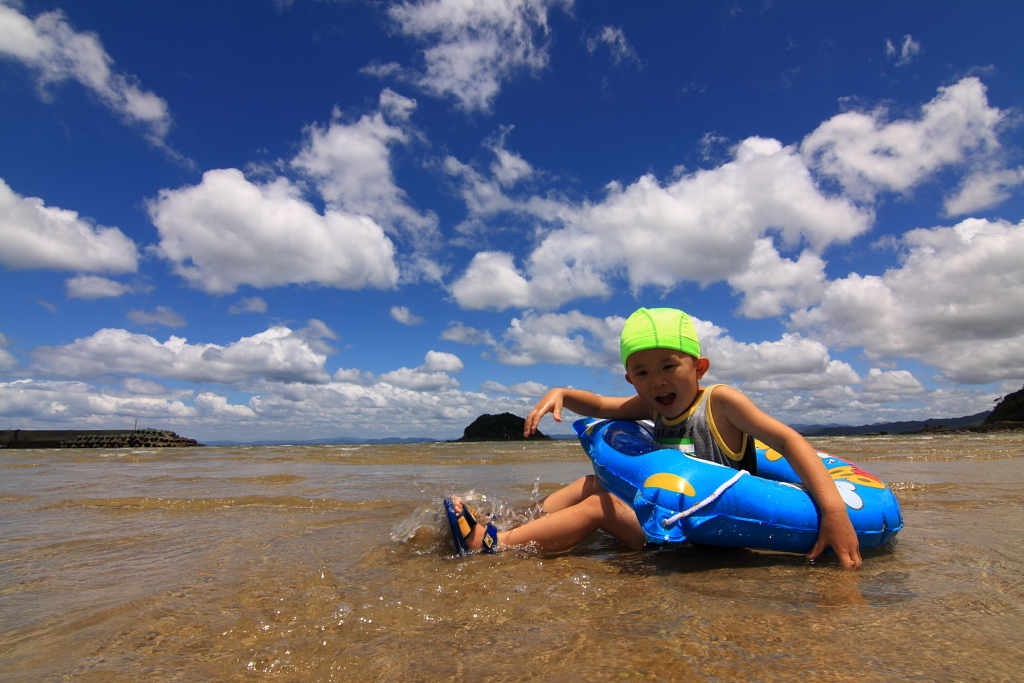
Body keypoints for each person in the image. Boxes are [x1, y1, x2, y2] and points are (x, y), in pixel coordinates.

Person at [446, 307, 863, 570]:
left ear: (698, 367)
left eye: (669, 365)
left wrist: (834, 513)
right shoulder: (652, 408)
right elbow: (604, 406)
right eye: (642, 373)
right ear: (632, 379)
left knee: (600, 505)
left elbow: (791, 442)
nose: (657, 380)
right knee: (590, 483)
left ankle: (492, 545)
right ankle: (515, 520)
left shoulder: (721, 404)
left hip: (707, 534)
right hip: (667, 520)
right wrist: (564, 394)